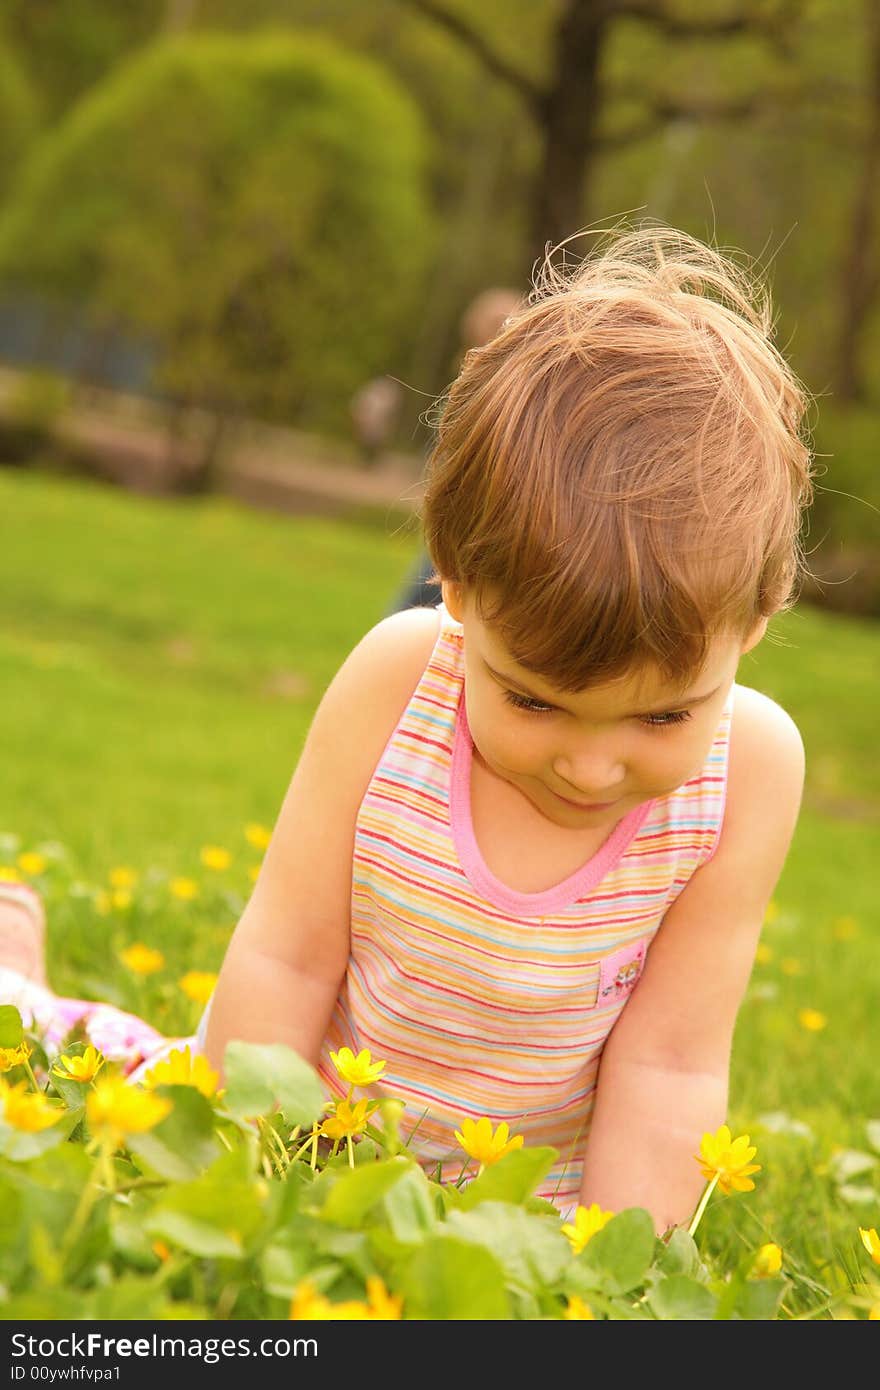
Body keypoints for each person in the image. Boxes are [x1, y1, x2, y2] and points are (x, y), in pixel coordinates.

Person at [0, 224, 813, 1234]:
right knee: (81, 1075)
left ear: (759, 614)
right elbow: (287, 959)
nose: (592, 764)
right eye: (531, 699)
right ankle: (17, 975)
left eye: (660, 714)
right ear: (453, 583)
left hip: (526, 1212)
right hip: (307, 1135)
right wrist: (234, 1183)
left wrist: (610, 1285)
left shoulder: (751, 771)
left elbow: (669, 1061)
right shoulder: (398, 680)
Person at [387, 286, 523, 613]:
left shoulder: (519, 397)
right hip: (465, 525)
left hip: (487, 533)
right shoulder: (467, 398)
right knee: (430, 588)